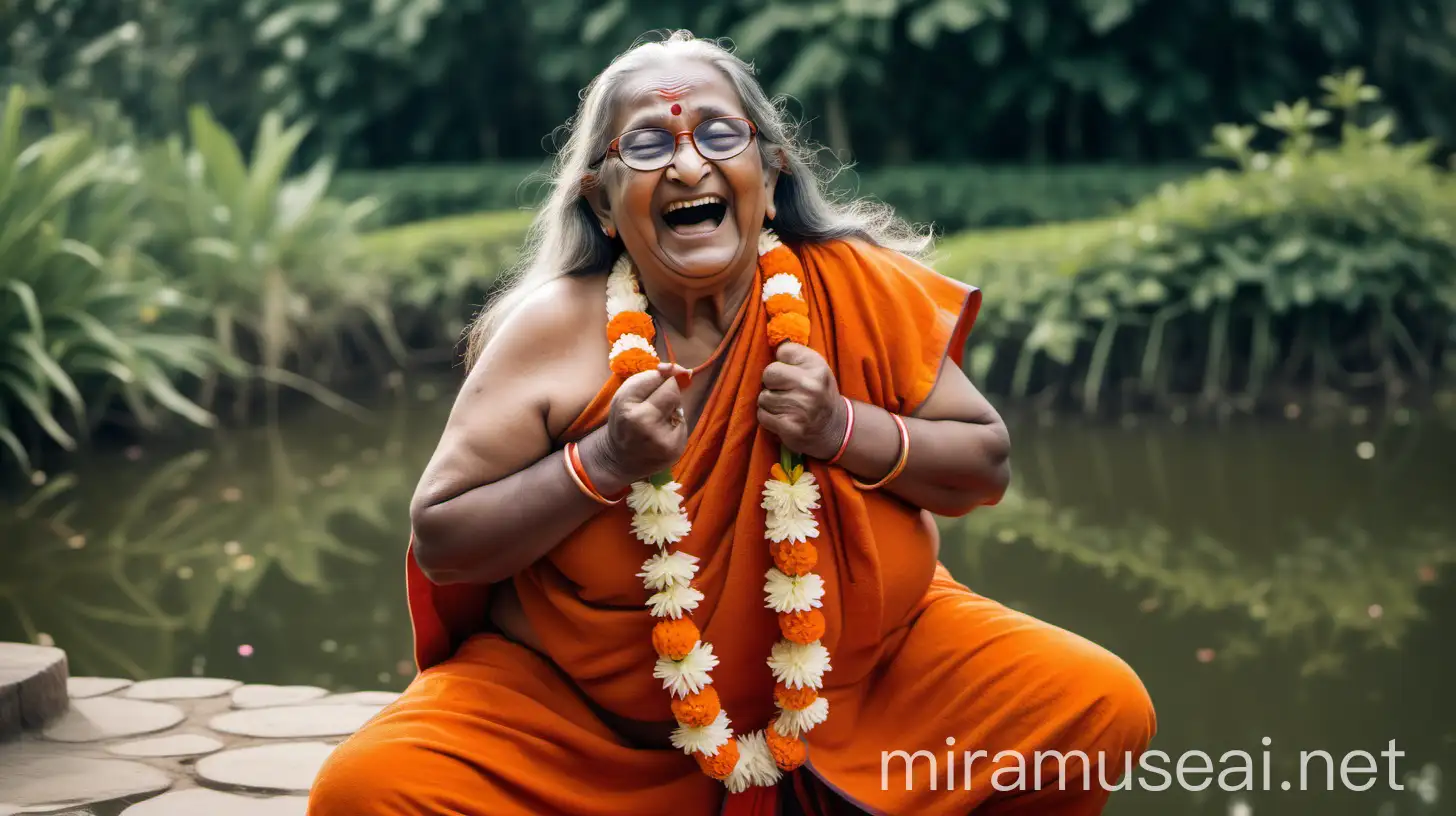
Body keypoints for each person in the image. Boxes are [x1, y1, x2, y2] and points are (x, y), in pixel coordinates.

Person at [308, 30, 1155, 816]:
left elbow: (984, 463)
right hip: (589, 734)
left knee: (1096, 707)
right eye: (647, 144)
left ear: (773, 172)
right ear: (604, 204)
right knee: (367, 792)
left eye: (719, 134)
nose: (687, 164)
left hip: (861, 698)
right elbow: (444, 538)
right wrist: (602, 462)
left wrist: (839, 427)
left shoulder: (852, 285)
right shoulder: (552, 332)